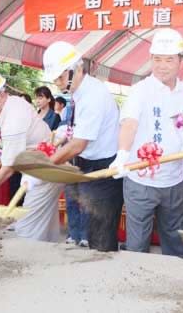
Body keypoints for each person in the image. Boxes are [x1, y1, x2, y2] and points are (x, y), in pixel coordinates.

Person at [109, 28, 183, 258]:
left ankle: (171, 288)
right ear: (150, 59)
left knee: (174, 241)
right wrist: (122, 155)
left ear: (181, 61)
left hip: (174, 182)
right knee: (137, 242)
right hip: (140, 181)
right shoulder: (140, 91)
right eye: (157, 59)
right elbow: (129, 124)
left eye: (169, 59)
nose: (162, 65)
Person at [43, 41, 123, 252]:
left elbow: (78, 144)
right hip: (87, 164)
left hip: (103, 170)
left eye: (60, 77)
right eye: (55, 78)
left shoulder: (93, 95)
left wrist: (43, 167)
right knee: (92, 230)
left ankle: (105, 277)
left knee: (101, 236)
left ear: (77, 69)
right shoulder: (78, 93)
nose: (58, 83)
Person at [0, 71, 63, 242]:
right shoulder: (12, 105)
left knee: (27, 229)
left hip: (42, 171)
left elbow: (9, 169)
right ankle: (48, 259)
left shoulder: (14, 115)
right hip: (40, 166)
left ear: (0, 94)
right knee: (45, 227)